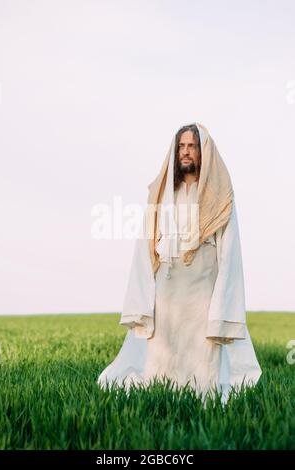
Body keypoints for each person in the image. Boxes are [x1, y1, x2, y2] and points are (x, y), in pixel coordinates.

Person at [97, 121, 262, 405]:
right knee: (162, 351)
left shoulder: (220, 198)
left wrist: (223, 298)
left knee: (201, 352)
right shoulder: (161, 194)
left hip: (203, 288)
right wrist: (142, 293)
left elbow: (229, 250)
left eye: (192, 147)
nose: (186, 152)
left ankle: (201, 399)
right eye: (181, 147)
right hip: (167, 287)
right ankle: (161, 398)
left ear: (203, 152)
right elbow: (144, 245)